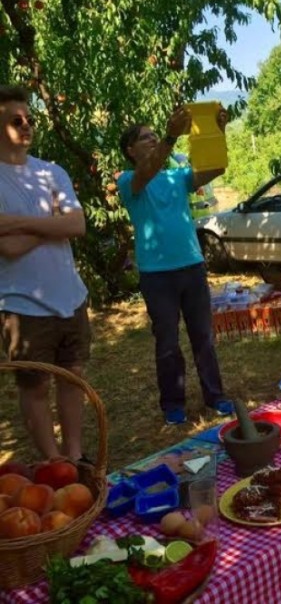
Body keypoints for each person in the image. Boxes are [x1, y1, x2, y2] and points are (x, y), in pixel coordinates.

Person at [117, 106, 234, 425]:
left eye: (156, 134)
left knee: (204, 337)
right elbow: (146, 172)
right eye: (146, 137)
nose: (153, 138)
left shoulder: (176, 176)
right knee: (167, 342)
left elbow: (216, 169)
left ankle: (216, 396)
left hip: (192, 266)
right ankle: (173, 405)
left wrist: (218, 133)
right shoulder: (129, 181)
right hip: (157, 276)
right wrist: (170, 135)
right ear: (130, 150)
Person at [0, 85, 91, 462]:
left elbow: (78, 225)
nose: (27, 125)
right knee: (34, 387)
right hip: (22, 306)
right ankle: (55, 464)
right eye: (16, 120)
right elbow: (8, 248)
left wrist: (16, 223)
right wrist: (52, 222)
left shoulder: (52, 172)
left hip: (71, 296)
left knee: (73, 380)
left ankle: (75, 457)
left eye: (30, 119)